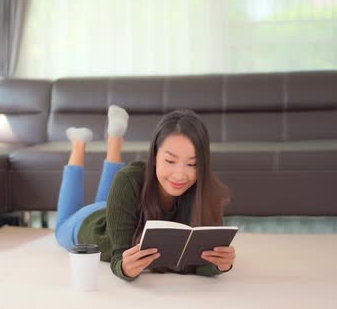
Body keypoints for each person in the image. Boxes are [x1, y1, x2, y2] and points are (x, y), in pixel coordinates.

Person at [54, 106, 235, 280]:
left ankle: (114, 140)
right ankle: (79, 144)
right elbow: (118, 259)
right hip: (90, 222)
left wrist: (220, 264)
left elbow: (199, 262)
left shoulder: (206, 190)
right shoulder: (129, 179)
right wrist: (125, 268)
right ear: (155, 155)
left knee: (117, 189)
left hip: (117, 207)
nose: (180, 175)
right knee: (61, 226)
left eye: (192, 164)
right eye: (170, 161)